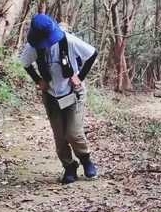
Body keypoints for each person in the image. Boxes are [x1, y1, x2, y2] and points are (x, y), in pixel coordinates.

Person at [19, 13, 100, 184]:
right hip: (51, 96)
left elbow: (92, 54)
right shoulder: (34, 46)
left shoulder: (68, 40)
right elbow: (25, 63)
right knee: (60, 136)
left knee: (73, 133)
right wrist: (38, 80)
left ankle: (86, 160)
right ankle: (69, 166)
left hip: (73, 93)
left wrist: (80, 77)